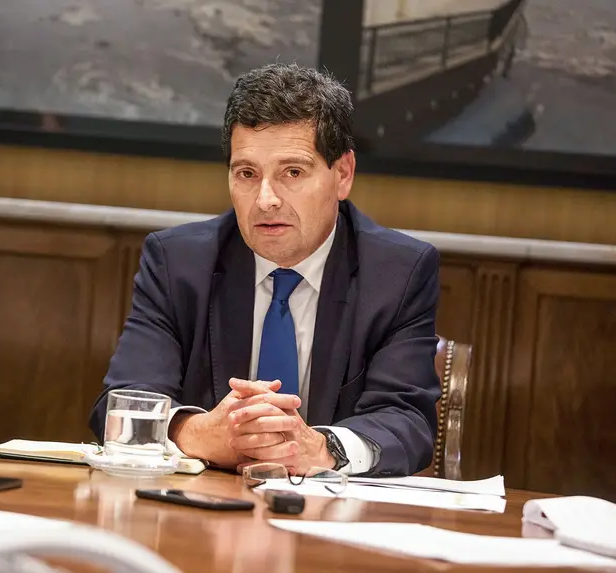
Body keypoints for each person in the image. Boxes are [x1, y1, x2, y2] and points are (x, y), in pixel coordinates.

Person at [89, 63, 441, 477]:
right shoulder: (178, 263)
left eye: (293, 172)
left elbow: (407, 422)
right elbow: (123, 404)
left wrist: (320, 448)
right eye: (247, 174)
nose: (266, 199)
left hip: (331, 508)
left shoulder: (397, 273)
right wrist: (200, 433)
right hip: (203, 504)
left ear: (343, 174)